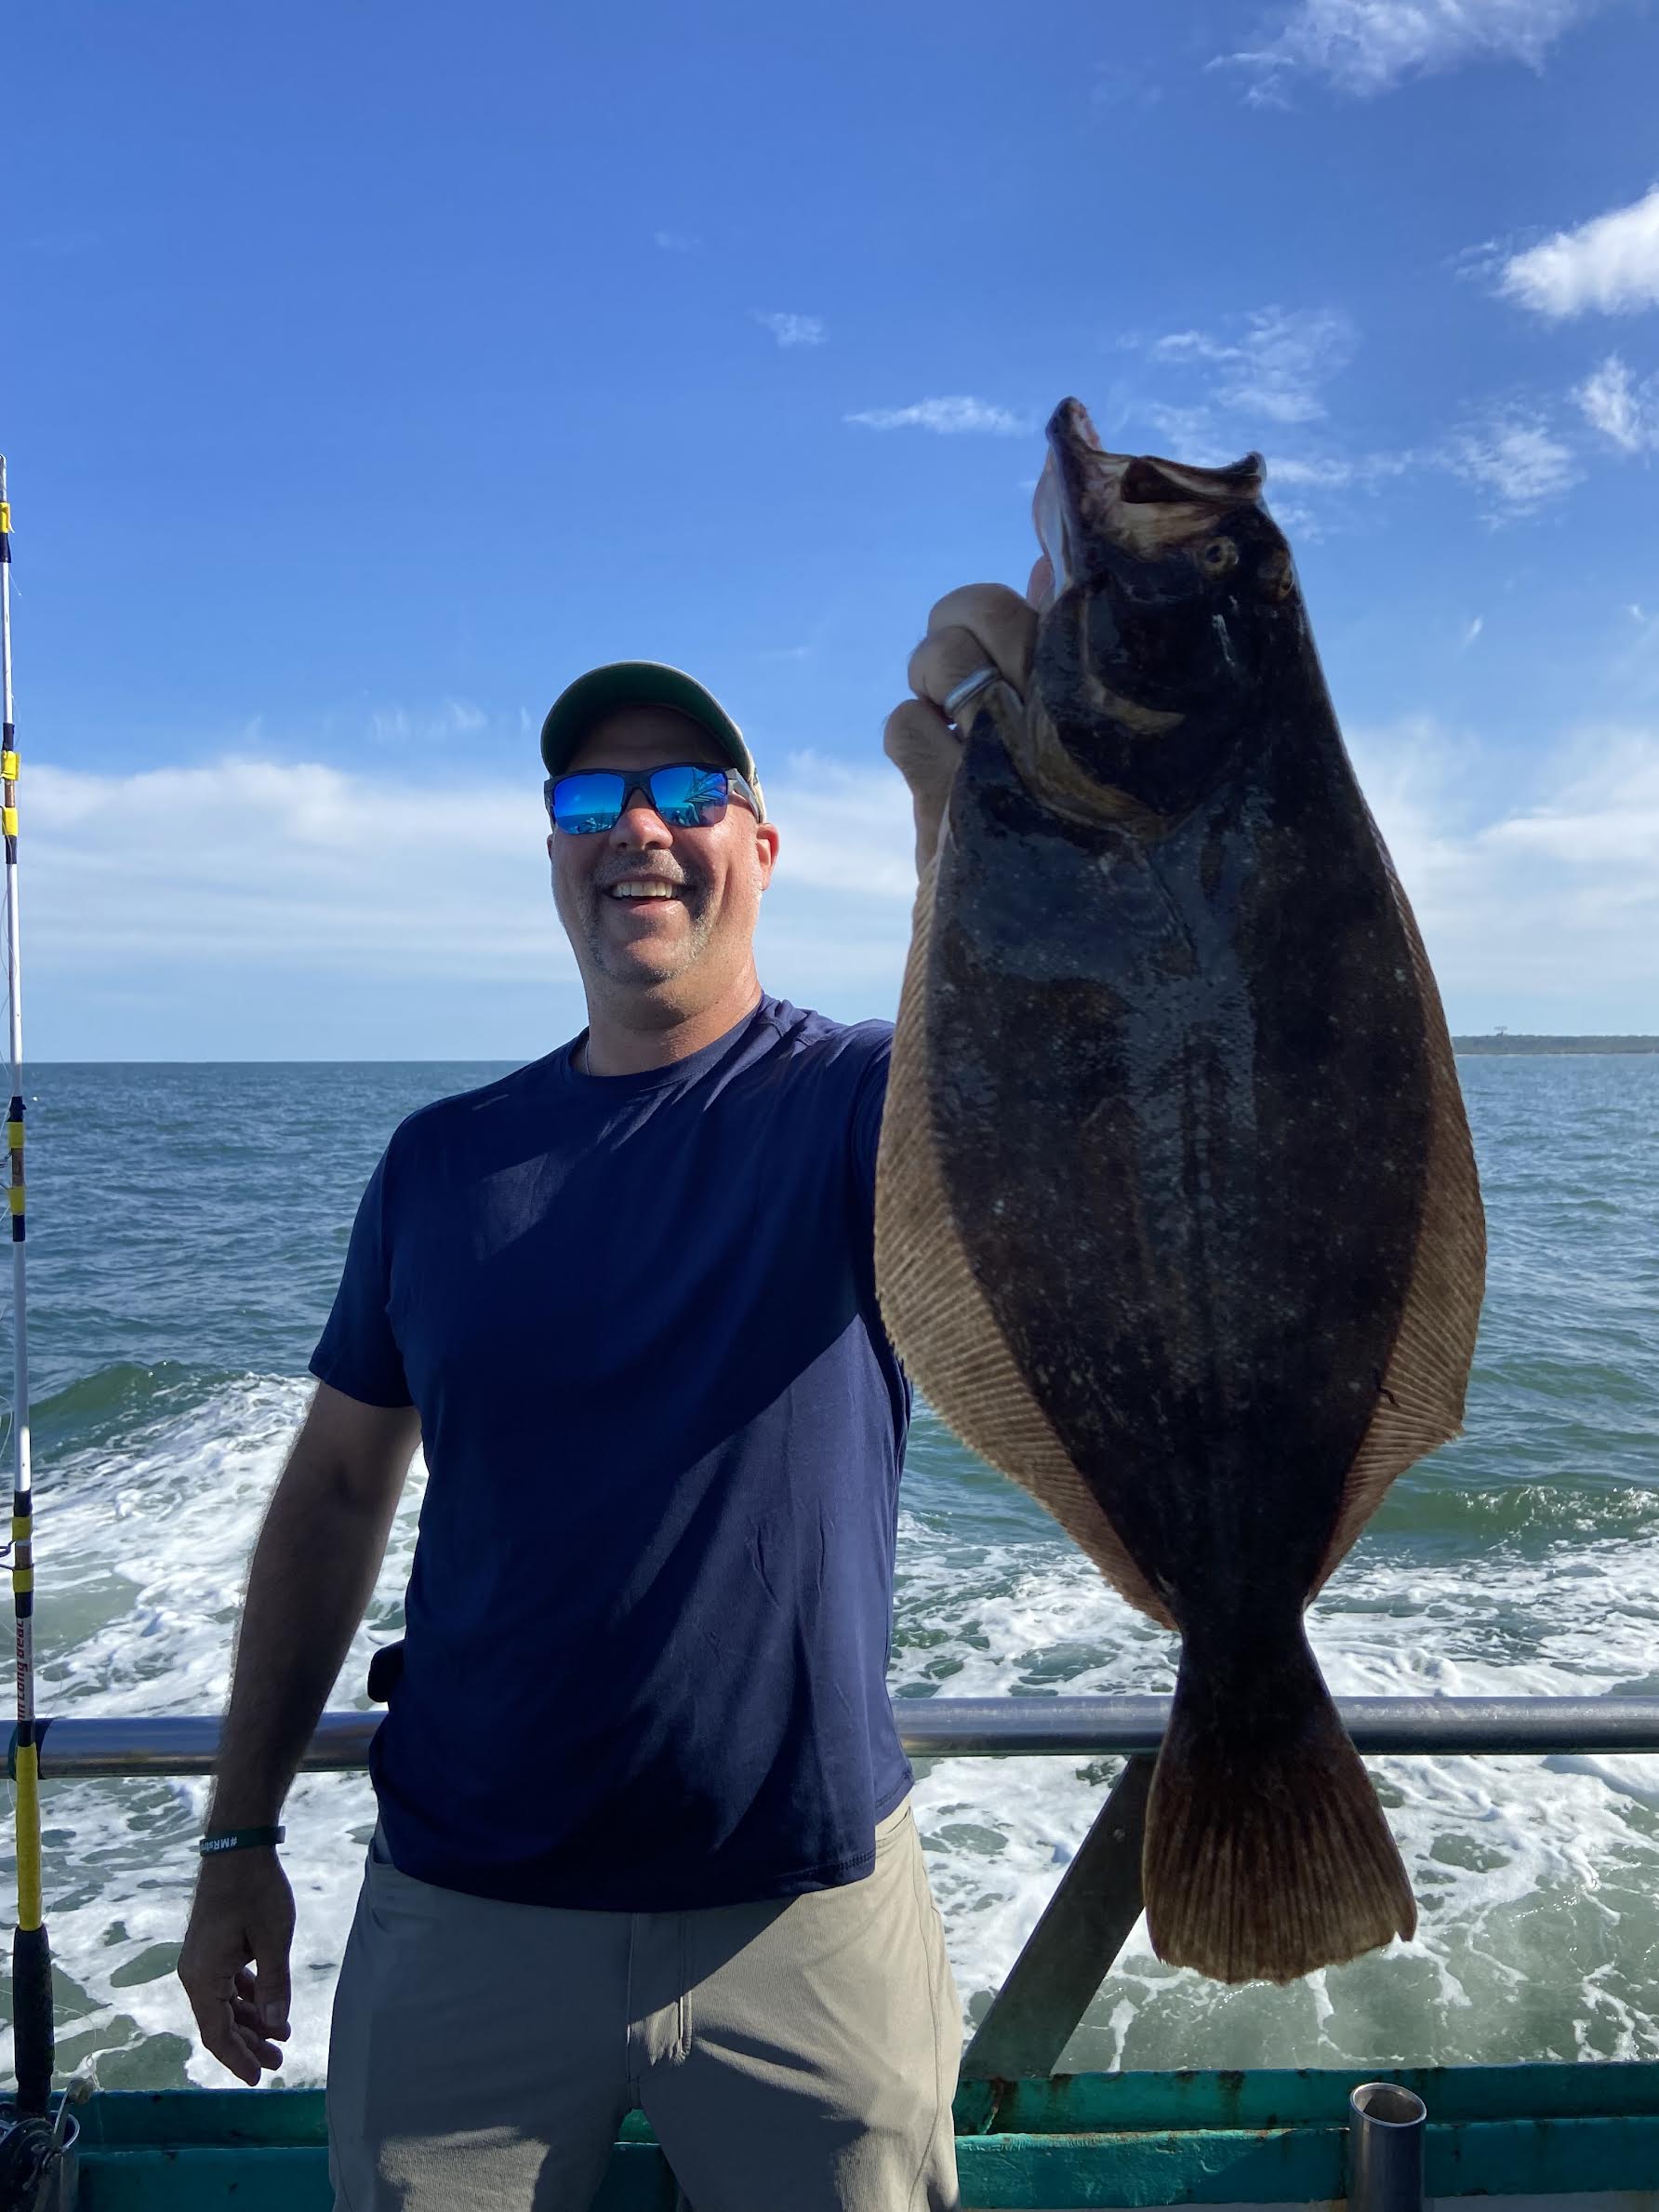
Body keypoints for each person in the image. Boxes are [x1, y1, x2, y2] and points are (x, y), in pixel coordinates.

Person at [178, 581, 1040, 2212]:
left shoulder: (865, 1107)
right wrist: (238, 1840)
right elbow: (338, 1492)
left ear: (763, 850)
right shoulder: (441, 1164)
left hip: (809, 1915)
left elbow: (1010, 1058)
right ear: (555, 856)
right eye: (593, 797)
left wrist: (969, 801)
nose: (640, 827)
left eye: (692, 793)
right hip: (464, 1919)